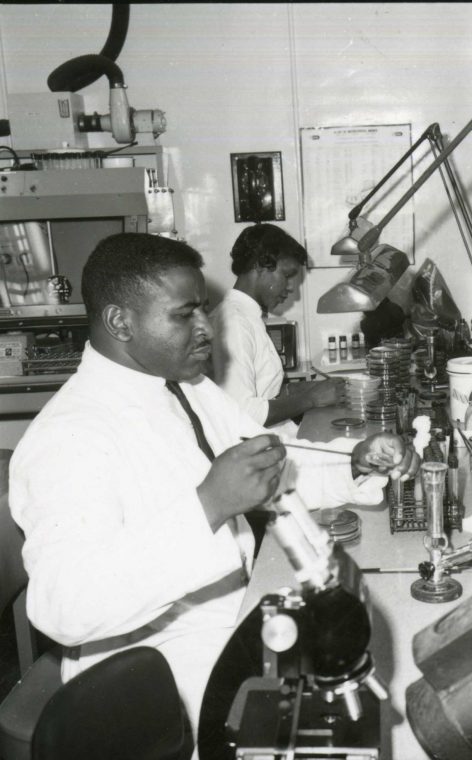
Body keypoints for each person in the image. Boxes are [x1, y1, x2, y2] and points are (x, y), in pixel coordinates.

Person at [9, 232, 418, 750]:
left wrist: (354, 463)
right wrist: (209, 504)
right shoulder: (68, 437)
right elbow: (61, 607)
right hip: (157, 667)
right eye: (185, 315)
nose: (208, 329)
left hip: (235, 616)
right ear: (121, 322)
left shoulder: (187, 388)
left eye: (204, 309)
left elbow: (265, 466)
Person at [210, 224, 344, 427]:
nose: (291, 288)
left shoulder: (245, 315)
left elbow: (267, 391)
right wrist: (312, 398)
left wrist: (318, 388)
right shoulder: (234, 322)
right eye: (287, 276)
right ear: (260, 266)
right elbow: (241, 412)